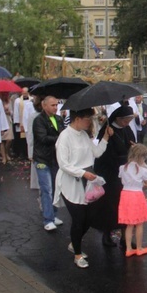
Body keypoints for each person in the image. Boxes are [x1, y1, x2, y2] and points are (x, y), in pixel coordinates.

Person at [54, 108, 112, 269]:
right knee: (79, 218)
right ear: (77, 118)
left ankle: (75, 242)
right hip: (70, 181)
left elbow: (97, 152)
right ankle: (77, 254)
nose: (90, 122)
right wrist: (82, 173)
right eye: (88, 119)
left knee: (90, 217)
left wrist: (106, 137)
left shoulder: (85, 135)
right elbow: (63, 164)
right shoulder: (64, 137)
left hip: (86, 180)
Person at [93, 104, 137, 248]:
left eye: (129, 120)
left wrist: (133, 147)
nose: (127, 123)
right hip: (110, 174)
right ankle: (107, 234)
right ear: (118, 118)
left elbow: (130, 144)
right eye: (125, 120)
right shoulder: (107, 130)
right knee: (110, 206)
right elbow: (103, 154)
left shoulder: (126, 128)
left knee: (126, 206)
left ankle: (125, 237)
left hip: (125, 174)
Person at [119, 144, 147, 258]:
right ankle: (139, 248)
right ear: (141, 157)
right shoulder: (143, 170)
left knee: (129, 224)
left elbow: (124, 181)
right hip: (136, 196)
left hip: (125, 195)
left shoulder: (122, 168)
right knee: (139, 224)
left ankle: (128, 249)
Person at [32, 95, 65, 232]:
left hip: (55, 158)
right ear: (44, 105)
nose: (55, 107)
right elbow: (43, 138)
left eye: (56, 105)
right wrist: (60, 139)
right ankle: (48, 219)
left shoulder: (59, 119)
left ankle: (53, 214)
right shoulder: (38, 120)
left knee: (56, 188)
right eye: (52, 105)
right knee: (47, 189)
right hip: (42, 159)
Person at [12, 87, 32, 159]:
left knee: (28, 138)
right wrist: (17, 121)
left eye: (26, 93)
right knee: (20, 139)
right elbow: (16, 111)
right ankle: (21, 153)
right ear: (21, 93)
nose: (25, 94)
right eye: (23, 93)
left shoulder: (31, 100)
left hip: (28, 122)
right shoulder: (17, 101)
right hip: (20, 123)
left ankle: (27, 153)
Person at [0, 92, 14, 164]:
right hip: (0, 121)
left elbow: (12, 112)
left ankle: (6, 152)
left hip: (8, 120)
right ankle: (3, 156)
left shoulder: (9, 101)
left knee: (9, 139)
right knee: (1, 140)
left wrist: (9, 112)